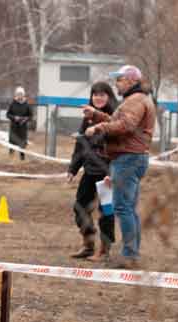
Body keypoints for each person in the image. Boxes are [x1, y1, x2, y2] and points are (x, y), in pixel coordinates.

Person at [84, 65, 155, 269]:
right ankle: (131, 253)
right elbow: (120, 121)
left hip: (127, 159)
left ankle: (129, 256)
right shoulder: (137, 100)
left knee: (123, 207)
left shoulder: (135, 101)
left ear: (131, 81)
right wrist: (98, 115)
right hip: (132, 157)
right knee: (129, 208)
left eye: (120, 80)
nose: (117, 84)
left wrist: (97, 127)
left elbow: (125, 126)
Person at [67, 81, 117, 261]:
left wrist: (113, 172)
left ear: (109, 96)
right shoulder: (87, 118)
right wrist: (73, 168)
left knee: (106, 212)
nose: (98, 98)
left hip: (108, 172)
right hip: (89, 171)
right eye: (95, 94)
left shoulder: (115, 117)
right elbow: (81, 145)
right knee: (80, 207)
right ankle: (88, 245)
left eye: (102, 94)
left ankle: (104, 250)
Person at [6, 87, 32, 161]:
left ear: (23, 95)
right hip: (14, 127)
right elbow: (8, 114)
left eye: (21, 94)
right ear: (16, 94)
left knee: (22, 144)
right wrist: (14, 117)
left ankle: (22, 159)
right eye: (18, 94)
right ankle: (11, 158)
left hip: (22, 128)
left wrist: (25, 119)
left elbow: (31, 116)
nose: (19, 95)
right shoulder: (12, 104)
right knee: (12, 143)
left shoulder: (26, 105)